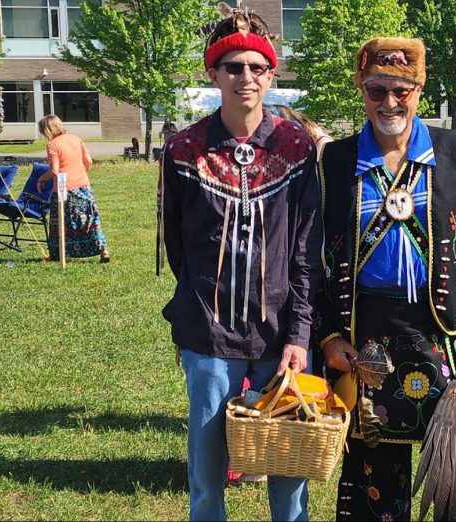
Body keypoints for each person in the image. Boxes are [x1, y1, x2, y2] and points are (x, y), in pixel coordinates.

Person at [313, 37, 456, 521]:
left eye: (402, 90)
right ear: (362, 89)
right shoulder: (334, 162)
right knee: (375, 484)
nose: (389, 102)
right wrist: (329, 334)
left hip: (444, 334)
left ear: (420, 89)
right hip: (365, 341)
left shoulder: (455, 152)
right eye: (377, 90)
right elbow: (311, 259)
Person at [157, 6, 323, 521]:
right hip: (209, 335)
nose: (245, 77)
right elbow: (178, 245)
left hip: (281, 337)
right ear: (214, 74)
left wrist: (299, 334)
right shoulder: (185, 149)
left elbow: (305, 249)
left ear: (271, 74)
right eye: (233, 67)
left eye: (256, 67)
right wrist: (195, 316)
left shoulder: (297, 148)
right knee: (207, 476)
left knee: (289, 476)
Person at [36, 115, 110, 263]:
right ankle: (103, 250)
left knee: (60, 223)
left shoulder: (52, 145)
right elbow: (88, 161)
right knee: (90, 218)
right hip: (84, 186)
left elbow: (55, 170)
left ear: (47, 129)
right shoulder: (76, 138)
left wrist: (41, 179)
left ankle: (57, 253)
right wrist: (80, 175)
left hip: (65, 190)